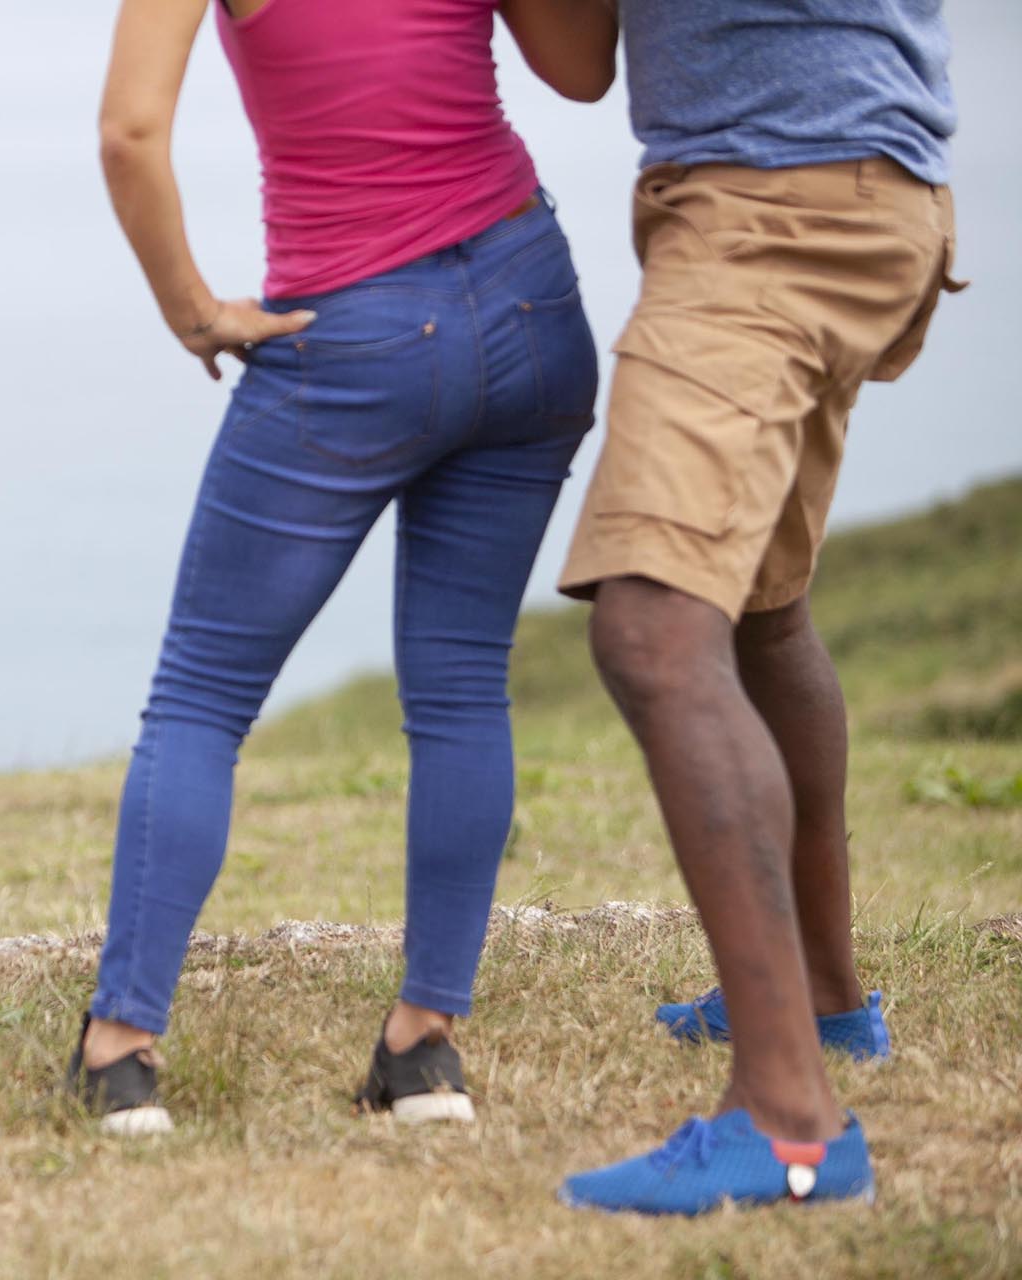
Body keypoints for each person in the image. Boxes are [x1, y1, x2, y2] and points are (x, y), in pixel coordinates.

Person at [65, 0, 614, 1134]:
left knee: (203, 697)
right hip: (529, 298)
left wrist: (195, 312)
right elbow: (582, 68)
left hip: (351, 332)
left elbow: (129, 133)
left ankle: (122, 1050)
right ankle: (425, 1049)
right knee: (463, 680)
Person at [553, 1, 961, 1215]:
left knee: (654, 627)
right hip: (870, 181)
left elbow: (573, 61)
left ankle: (788, 1122)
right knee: (761, 608)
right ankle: (827, 1003)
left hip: (771, 209)